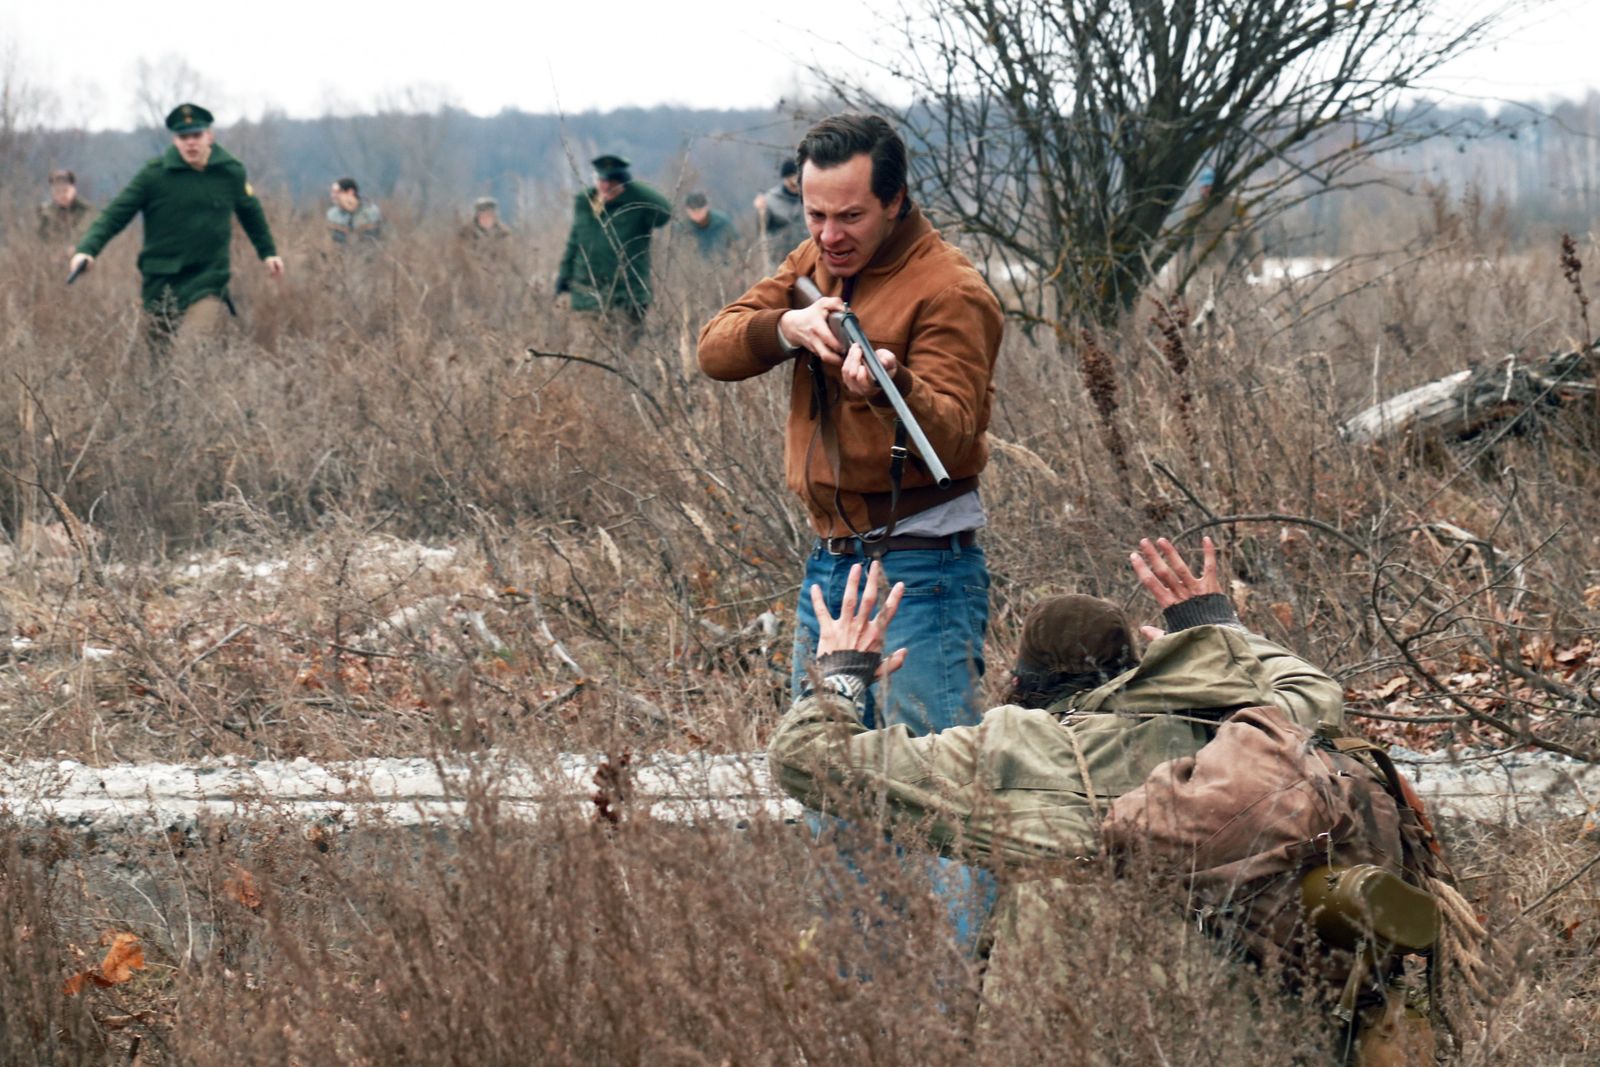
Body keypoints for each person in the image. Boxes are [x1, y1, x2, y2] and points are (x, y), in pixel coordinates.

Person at [769, 536, 1348, 1018]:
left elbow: (805, 756)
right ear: (1133, 669)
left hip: (1064, 1023)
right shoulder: (1230, 732)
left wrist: (842, 672)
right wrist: (1215, 631)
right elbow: (1315, 693)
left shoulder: (1011, 750)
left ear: (1022, 681)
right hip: (1234, 1016)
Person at [699, 112, 1003, 737]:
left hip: (922, 573)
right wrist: (786, 328)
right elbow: (714, 349)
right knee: (826, 782)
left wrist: (894, 388)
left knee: (934, 791)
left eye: (850, 216)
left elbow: (953, 433)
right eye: (815, 214)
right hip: (830, 564)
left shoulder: (951, 290)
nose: (829, 235)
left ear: (895, 201)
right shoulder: (816, 260)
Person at [69, 103, 283, 352]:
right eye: (183, 137)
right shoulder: (154, 176)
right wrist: (87, 250)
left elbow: (251, 212)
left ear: (209, 136)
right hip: (161, 280)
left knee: (191, 350)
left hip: (208, 278)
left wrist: (268, 252)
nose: (190, 142)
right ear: (175, 140)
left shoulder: (229, 173)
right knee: (158, 360)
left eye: (196, 135)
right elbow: (115, 214)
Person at [553, 154, 672, 325]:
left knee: (626, 349)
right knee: (587, 349)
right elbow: (574, 241)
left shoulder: (637, 202)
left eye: (613, 182)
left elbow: (665, 213)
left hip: (628, 294)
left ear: (623, 182)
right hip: (587, 293)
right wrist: (564, 276)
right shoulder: (584, 202)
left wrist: (634, 186)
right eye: (602, 180)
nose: (606, 186)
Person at [1176, 166, 1263, 290]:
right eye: (1204, 186)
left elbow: (1251, 236)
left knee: (1234, 299)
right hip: (1201, 267)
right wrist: (1181, 276)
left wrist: (1256, 267)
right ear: (1200, 188)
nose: (1207, 190)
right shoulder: (1194, 211)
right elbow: (1183, 245)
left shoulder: (1235, 206)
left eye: (1210, 186)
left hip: (1232, 265)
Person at [754, 158, 803, 265]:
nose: (793, 181)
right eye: (790, 178)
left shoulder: (810, 196)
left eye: (796, 177)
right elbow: (762, 228)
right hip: (781, 259)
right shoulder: (770, 200)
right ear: (784, 179)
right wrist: (761, 211)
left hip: (808, 254)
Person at [38, 169, 93, 245]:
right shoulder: (45, 212)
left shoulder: (86, 210)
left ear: (74, 190)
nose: (62, 195)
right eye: (57, 191)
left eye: (65, 191)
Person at [680, 191, 738, 262]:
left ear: (706, 207)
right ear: (687, 210)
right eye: (693, 210)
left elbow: (737, 244)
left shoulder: (722, 222)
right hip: (693, 268)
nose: (697, 213)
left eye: (700, 210)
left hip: (722, 266)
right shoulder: (682, 228)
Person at [326, 177, 383, 244]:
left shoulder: (371, 212)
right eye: (332, 192)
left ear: (350, 192)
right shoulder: (332, 215)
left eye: (337, 192)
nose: (333, 196)